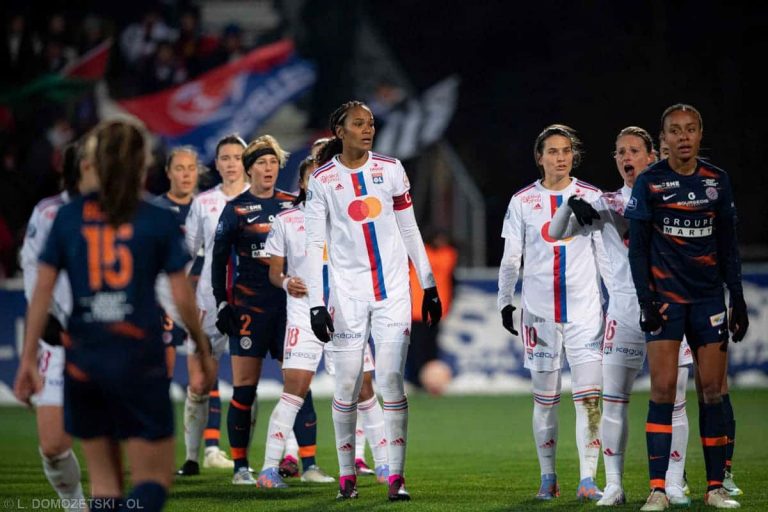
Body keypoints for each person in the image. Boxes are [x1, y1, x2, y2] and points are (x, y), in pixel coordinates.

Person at [14, 119, 214, 512]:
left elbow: (40, 290)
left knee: (105, 487)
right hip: (139, 356)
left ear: (93, 164)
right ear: (144, 165)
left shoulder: (67, 218)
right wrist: (201, 347)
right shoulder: (156, 219)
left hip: (84, 357)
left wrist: (27, 358)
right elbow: (180, 293)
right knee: (152, 482)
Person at [548, 126, 693, 506]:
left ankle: (673, 483)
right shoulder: (606, 203)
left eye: (633, 150)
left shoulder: (672, 200)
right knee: (614, 402)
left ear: (651, 157)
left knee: (675, 398)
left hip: (667, 308)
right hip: (625, 313)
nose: (626, 157)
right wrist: (568, 206)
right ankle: (613, 484)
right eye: (620, 152)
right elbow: (555, 232)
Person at [304, 100, 442, 501]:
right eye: (358, 124)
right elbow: (315, 244)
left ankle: (396, 477)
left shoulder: (391, 170)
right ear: (339, 131)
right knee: (347, 384)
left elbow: (410, 228)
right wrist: (317, 302)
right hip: (347, 296)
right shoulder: (323, 181)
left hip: (394, 293)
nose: (367, 129)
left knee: (391, 380)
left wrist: (428, 284)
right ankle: (347, 474)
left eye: (371, 124)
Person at [625, 104, 748, 510]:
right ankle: (658, 489)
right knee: (662, 390)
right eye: (675, 130)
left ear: (699, 134)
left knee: (712, 392)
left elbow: (729, 247)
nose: (683, 136)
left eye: (690, 129)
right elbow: (638, 249)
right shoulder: (651, 182)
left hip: (709, 300)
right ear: (665, 138)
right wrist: (646, 301)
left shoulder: (717, 180)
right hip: (666, 301)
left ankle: (714, 487)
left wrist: (738, 299)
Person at [257, 155, 389, 487]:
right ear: (302, 184)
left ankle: (387, 465)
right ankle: (268, 469)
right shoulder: (287, 220)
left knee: (365, 389)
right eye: (310, 176)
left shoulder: (351, 218)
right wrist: (287, 282)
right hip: (303, 315)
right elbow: (274, 272)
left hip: (347, 316)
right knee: (295, 390)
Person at [497, 124, 604, 501]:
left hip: (585, 314)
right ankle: (548, 477)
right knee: (545, 398)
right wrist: (504, 302)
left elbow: (605, 255)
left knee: (590, 399)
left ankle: (588, 480)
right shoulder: (522, 201)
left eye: (567, 151)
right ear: (539, 157)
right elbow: (512, 259)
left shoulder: (592, 196)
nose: (561, 157)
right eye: (553, 151)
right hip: (539, 315)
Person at [212, 134, 312, 486]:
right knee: (244, 388)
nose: (268, 169)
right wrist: (222, 303)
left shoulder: (292, 206)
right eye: (261, 163)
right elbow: (219, 261)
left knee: (298, 385)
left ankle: (308, 463)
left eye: (273, 163)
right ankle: (241, 466)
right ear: (249, 168)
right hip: (250, 308)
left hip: (290, 309)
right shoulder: (236, 209)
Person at [176, 135, 250, 476]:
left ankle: (242, 461)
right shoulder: (204, 203)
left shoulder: (260, 199)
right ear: (217, 164)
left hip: (249, 302)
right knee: (198, 384)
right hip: (207, 303)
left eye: (238, 156)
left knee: (244, 387)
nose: (232, 162)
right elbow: (187, 253)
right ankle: (192, 459)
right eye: (226, 157)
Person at [19, 142, 86, 512]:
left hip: (112, 339)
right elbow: (33, 272)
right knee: (53, 446)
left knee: (112, 441)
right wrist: (44, 321)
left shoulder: (126, 211)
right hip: (59, 341)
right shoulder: (48, 214)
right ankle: (75, 506)